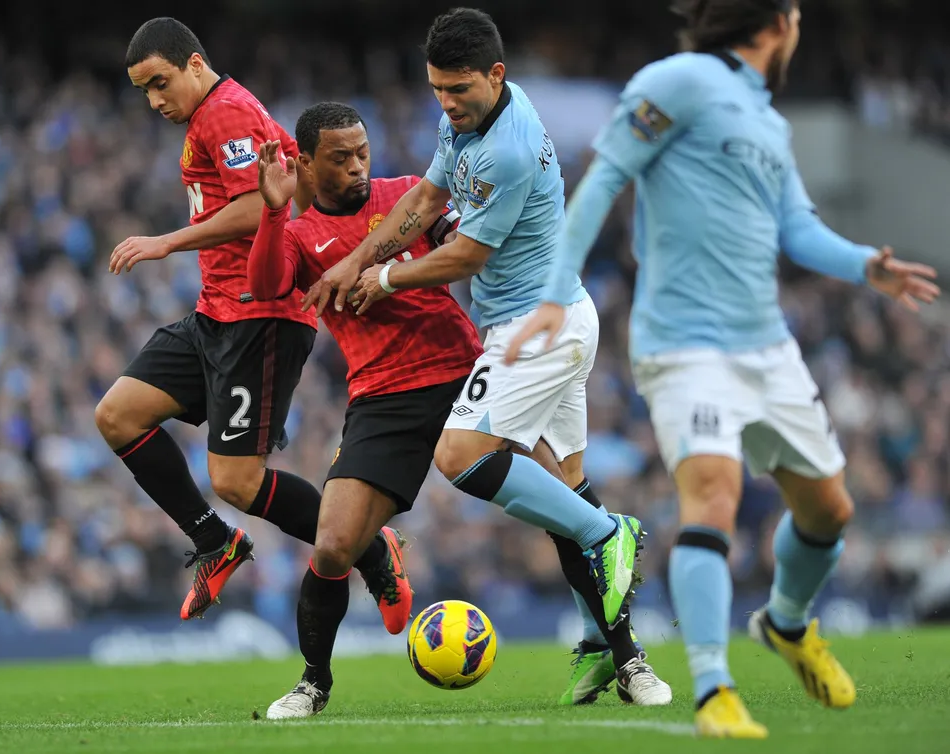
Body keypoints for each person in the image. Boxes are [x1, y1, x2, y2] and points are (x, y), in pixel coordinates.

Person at [505, 0, 940, 738]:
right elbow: (606, 177)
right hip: (683, 342)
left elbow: (796, 228)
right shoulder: (677, 80)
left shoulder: (768, 122)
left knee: (829, 511)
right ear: (778, 22)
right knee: (713, 495)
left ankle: (788, 622)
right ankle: (714, 689)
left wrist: (867, 265)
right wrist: (555, 291)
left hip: (765, 346)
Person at [302, 9, 671, 705]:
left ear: (496, 76)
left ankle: (611, 532)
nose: (446, 103)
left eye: (458, 90)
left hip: (536, 326)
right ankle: (610, 650)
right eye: (437, 89)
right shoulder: (468, 118)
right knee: (559, 498)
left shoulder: (509, 146)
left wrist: (376, 278)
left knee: (462, 454)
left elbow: (466, 254)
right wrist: (360, 255)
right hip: (542, 317)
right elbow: (426, 197)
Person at [96, 18, 402, 626]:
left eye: (160, 82)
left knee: (237, 482)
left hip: (262, 317)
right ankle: (216, 542)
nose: (155, 100)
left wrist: (164, 242)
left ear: (194, 64)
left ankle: (373, 552)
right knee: (117, 415)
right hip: (217, 312)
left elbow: (256, 208)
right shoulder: (205, 119)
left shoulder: (226, 112)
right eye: (143, 90)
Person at [247, 102, 484, 717]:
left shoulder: (409, 195)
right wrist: (274, 211)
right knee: (331, 547)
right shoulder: (298, 234)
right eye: (340, 157)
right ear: (304, 162)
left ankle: (624, 653)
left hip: (465, 371)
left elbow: (464, 244)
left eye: (362, 153)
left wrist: (399, 266)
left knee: (559, 491)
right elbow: (270, 287)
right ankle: (313, 683)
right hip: (383, 394)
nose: (357, 167)